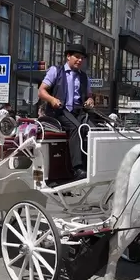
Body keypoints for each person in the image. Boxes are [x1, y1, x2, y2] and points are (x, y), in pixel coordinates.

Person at [37, 43, 95, 180]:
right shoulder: (55, 71)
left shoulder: (84, 77)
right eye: (77, 57)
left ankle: (91, 164)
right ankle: (77, 168)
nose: (80, 60)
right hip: (59, 112)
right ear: (68, 56)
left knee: (93, 129)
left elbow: (90, 96)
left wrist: (90, 101)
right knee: (76, 128)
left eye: (82, 58)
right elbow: (41, 91)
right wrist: (52, 100)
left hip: (78, 112)